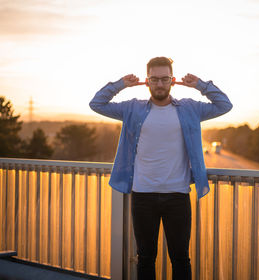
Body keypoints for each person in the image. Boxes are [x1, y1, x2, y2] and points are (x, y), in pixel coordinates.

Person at [89, 57, 232, 280]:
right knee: (145, 259)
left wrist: (200, 85)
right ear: (147, 82)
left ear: (172, 81)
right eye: (154, 79)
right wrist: (120, 84)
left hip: (178, 195)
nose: (159, 84)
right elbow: (96, 104)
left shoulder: (189, 108)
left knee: (181, 259)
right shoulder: (133, 108)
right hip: (143, 196)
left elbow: (225, 105)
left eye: (165, 79)